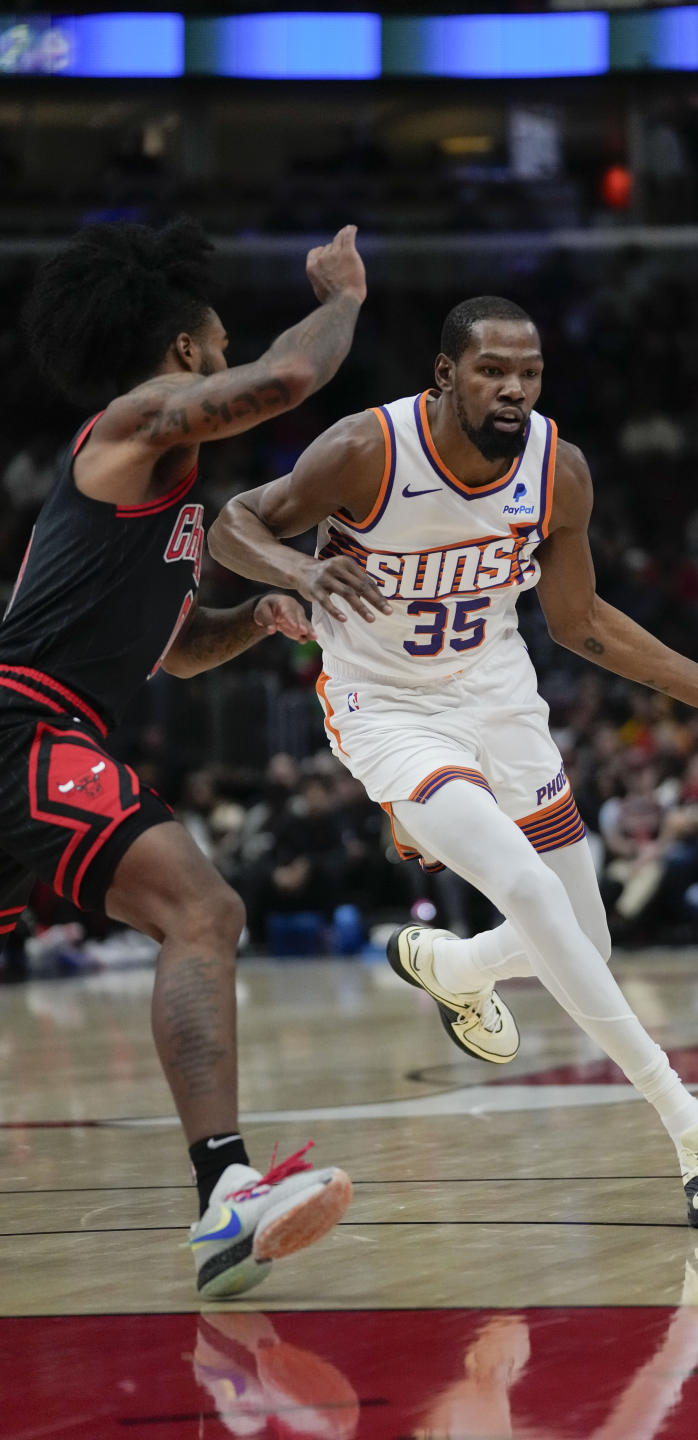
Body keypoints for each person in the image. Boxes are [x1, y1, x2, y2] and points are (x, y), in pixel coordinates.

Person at [209, 295, 698, 1229]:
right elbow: (233, 521)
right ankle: (695, 1132)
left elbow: (582, 626)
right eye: (491, 371)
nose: (513, 389)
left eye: (529, 373)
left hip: (502, 703)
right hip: (387, 712)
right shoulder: (367, 450)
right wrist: (301, 572)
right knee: (532, 892)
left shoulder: (559, 470)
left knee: (583, 942)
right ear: (445, 376)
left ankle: (462, 968)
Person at [1, 216, 370, 1296]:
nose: (232, 359)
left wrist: (255, 620)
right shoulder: (137, 420)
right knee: (202, 913)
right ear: (185, 355)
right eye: (221, 345)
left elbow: (175, 653)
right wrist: (343, 294)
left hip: (44, 729)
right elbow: (294, 373)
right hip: (21, 728)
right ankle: (225, 1193)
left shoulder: (160, 501)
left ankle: (224, 1195)